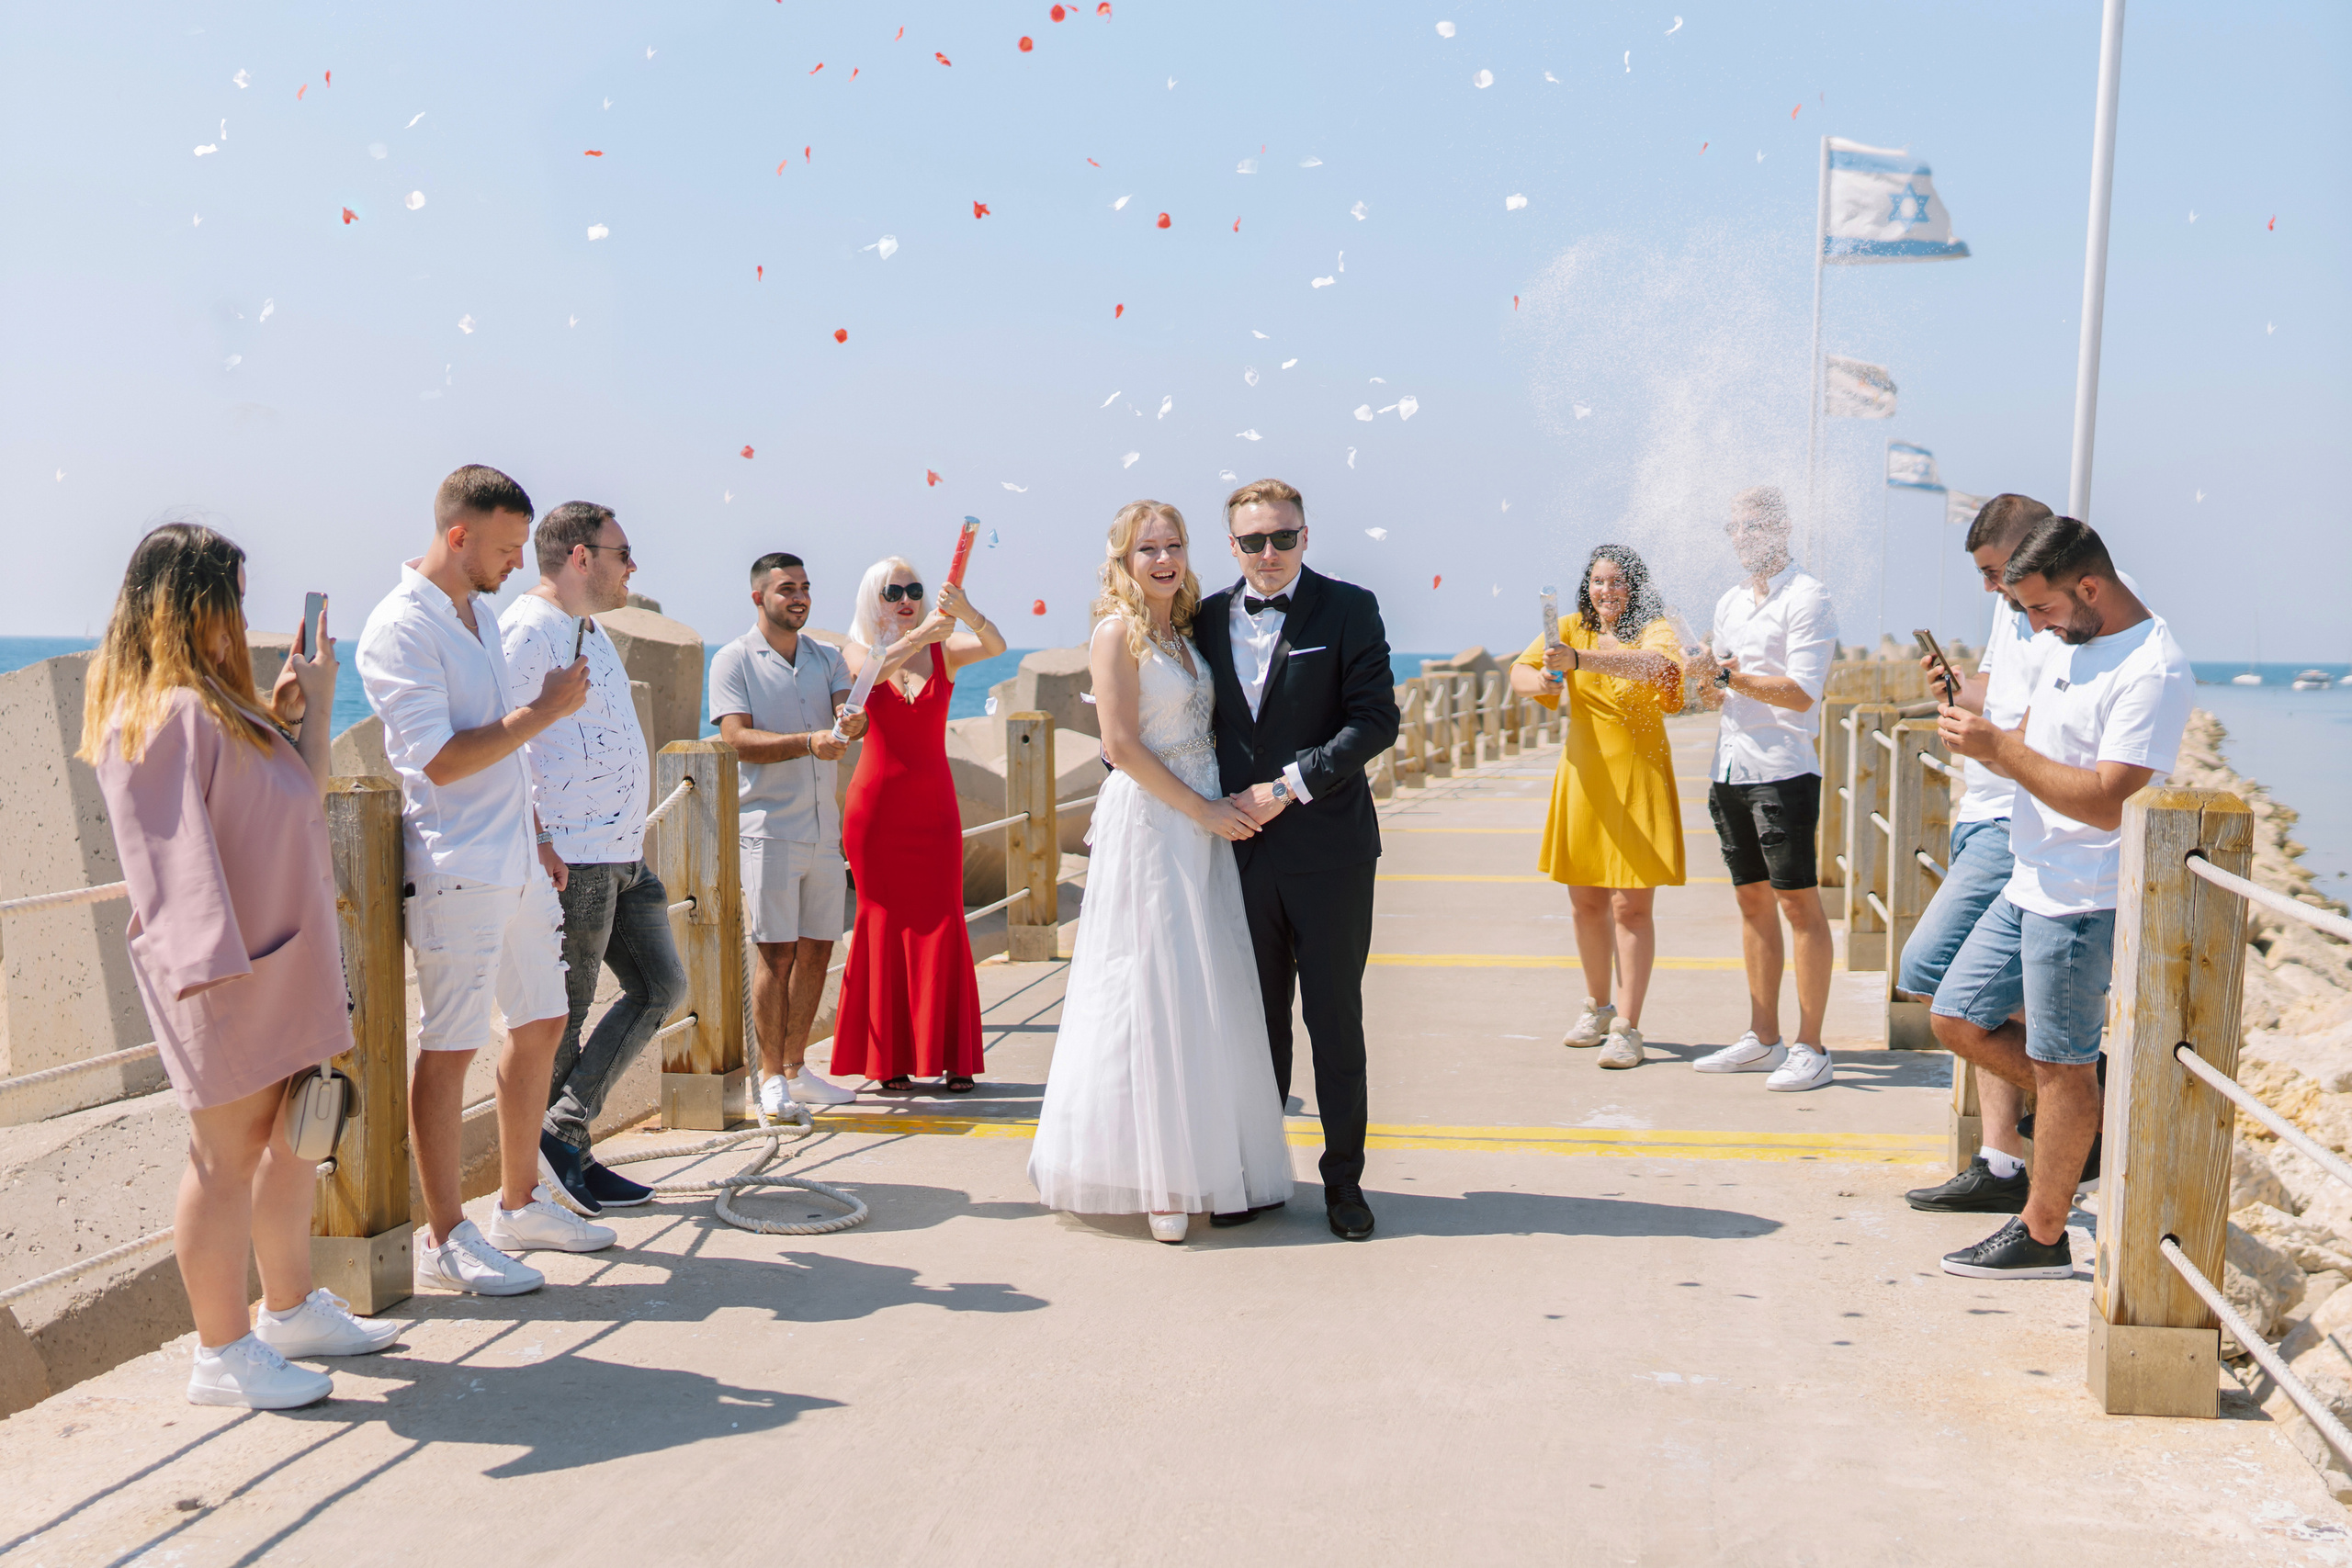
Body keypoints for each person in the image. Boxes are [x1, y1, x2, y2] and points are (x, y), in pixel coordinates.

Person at [82, 523, 401, 1410]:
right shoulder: (159, 714)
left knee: (299, 1138)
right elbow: (169, 861)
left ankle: (290, 1307)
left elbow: (306, 800)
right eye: (232, 598)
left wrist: (309, 708)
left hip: (281, 960)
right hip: (225, 976)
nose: (244, 617)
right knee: (225, 1158)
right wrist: (220, 980)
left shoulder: (223, 708)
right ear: (190, 606)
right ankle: (220, 1351)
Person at [358, 464, 617, 1297]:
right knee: (449, 1046)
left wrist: (538, 830)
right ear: (458, 535)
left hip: (513, 855)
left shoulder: (481, 613)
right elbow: (437, 758)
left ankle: (518, 1200)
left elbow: (504, 756)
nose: (517, 564)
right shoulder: (399, 627)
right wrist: (544, 712)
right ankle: (445, 1236)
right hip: (457, 865)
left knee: (543, 1017)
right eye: (506, 548)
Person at [1029, 502, 1295, 1244]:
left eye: (1174, 544)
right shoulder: (1116, 633)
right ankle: (1159, 1180)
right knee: (1147, 984)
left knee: (1203, 986)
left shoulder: (1181, 632)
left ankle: (1214, 1161)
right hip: (1153, 821)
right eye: (1148, 548)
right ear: (1123, 558)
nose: (1164, 558)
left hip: (1201, 820)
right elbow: (1121, 744)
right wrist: (1202, 812)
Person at [1933, 516, 2191, 1280]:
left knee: (2059, 1067)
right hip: (2029, 875)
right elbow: (2029, 726)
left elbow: (2111, 799)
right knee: (1956, 1014)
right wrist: (1983, 724)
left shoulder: (2153, 667)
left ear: (2089, 587)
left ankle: (2043, 1232)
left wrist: (2000, 751)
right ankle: (2104, 1112)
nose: (2033, 626)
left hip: (2084, 895)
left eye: (2040, 609)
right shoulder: (2064, 638)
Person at [1193, 479, 1400, 1241]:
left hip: (1330, 852)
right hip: (1237, 854)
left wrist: (1288, 786)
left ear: (1306, 536)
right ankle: (1257, 1169)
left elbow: (1376, 720)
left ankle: (1344, 1181)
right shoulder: (1205, 616)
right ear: (1233, 546)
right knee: (1255, 1024)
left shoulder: (1350, 608)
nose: (1269, 553)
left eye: (1283, 537)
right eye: (1254, 541)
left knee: (1334, 1020)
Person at [501, 502, 685, 1213]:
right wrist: (540, 835)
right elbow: (504, 741)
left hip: (620, 853)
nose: (631, 565)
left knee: (660, 986)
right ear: (581, 557)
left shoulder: (588, 630)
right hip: (570, 856)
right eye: (621, 551)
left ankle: (564, 1137)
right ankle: (555, 1161)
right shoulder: (524, 630)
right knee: (561, 1015)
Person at [1893, 494, 2054, 1214]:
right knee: (2000, 1001)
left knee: (1928, 972)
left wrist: (1990, 722)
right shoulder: (2011, 605)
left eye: (1996, 572)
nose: (1990, 587)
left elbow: (2054, 717)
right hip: (1981, 809)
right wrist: (1959, 687)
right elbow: (2007, 693)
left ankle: (2087, 1096)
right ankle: (2001, 1159)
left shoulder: (2058, 608)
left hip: (2011, 820)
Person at [828, 556, 1007, 1091]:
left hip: (933, 809)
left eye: (913, 588)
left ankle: (953, 1056)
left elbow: (996, 646)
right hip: (876, 811)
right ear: (871, 598)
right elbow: (865, 679)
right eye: (891, 591)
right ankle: (890, 1062)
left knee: (943, 918)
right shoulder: (853, 649)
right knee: (880, 921)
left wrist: (967, 613)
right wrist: (917, 636)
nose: (905, 597)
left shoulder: (943, 651)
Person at [1508, 545, 1688, 1069]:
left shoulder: (1655, 626)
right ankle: (1599, 1007)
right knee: (1586, 901)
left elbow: (1658, 667)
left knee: (1631, 907)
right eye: (1597, 582)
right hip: (1583, 775)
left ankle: (1629, 1027)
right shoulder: (1568, 627)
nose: (1606, 592)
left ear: (1635, 588)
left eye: (1617, 583)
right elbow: (1519, 672)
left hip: (1639, 774)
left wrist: (1581, 660)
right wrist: (1542, 679)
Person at [1686, 486, 1840, 1092]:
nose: (1744, 536)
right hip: (1731, 768)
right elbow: (1723, 689)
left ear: (1782, 527)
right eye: (1734, 526)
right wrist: (1708, 680)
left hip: (1784, 768)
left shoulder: (1809, 597)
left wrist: (1726, 674)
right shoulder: (1728, 601)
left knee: (1798, 904)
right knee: (1751, 902)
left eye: (1754, 525)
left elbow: (1801, 690)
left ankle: (1813, 1046)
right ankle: (1763, 1036)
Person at [709, 552, 867, 1115]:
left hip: (826, 829)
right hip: (768, 830)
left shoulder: (826, 657)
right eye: (785, 589)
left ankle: (797, 1069)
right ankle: (770, 1077)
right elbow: (735, 737)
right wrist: (808, 741)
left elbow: (849, 715)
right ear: (759, 597)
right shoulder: (732, 659)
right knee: (775, 955)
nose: (798, 597)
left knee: (819, 949)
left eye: (804, 587)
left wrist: (853, 721)